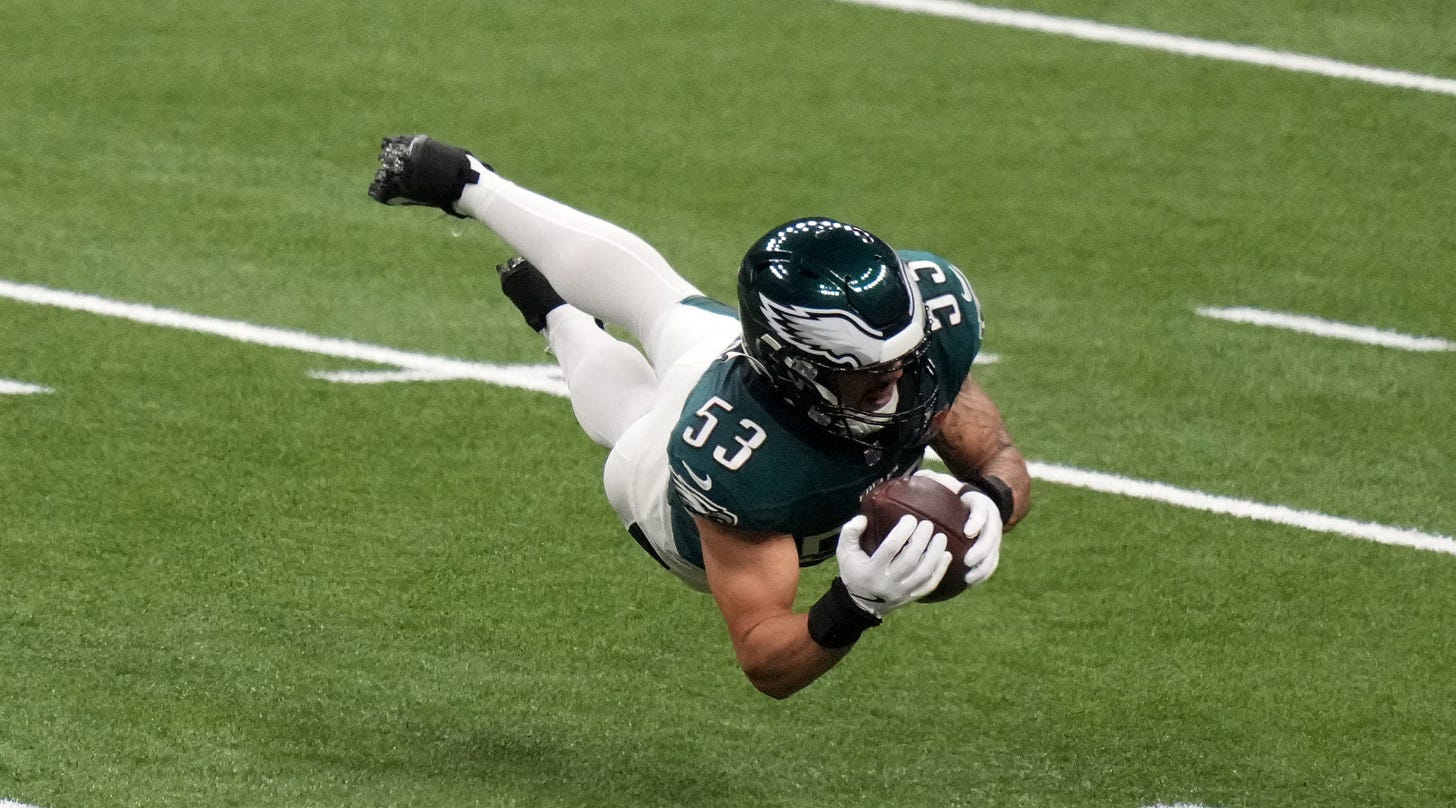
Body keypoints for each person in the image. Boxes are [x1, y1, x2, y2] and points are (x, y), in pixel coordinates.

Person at [367, 134, 1031, 699]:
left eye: (905, 358)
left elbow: (993, 450)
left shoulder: (917, 344)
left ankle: (470, 184)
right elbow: (762, 654)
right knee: (630, 425)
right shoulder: (732, 457)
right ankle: (561, 321)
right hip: (680, 500)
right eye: (868, 371)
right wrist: (851, 607)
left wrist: (993, 499)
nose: (898, 383)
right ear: (796, 363)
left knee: (664, 300)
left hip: (743, 370)